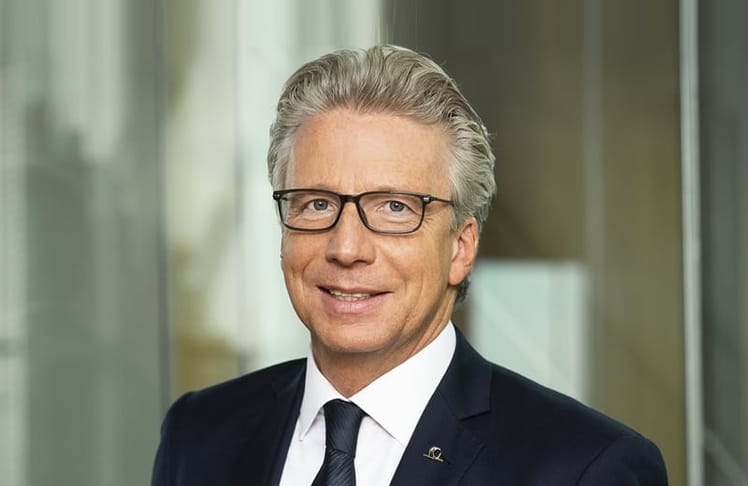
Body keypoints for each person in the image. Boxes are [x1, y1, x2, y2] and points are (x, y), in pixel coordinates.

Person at [151, 44, 668, 485]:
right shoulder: (200, 433)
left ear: (461, 247)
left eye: (395, 208)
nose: (346, 248)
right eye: (317, 204)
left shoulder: (585, 467)